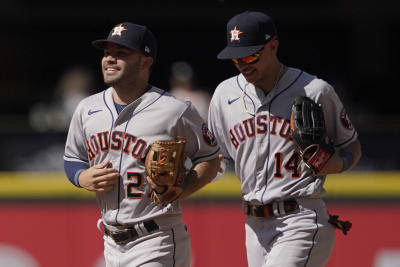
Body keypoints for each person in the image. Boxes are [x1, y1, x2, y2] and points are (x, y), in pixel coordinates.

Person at [208, 11, 362, 267]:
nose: (243, 64)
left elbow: (352, 146)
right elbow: (216, 158)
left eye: (249, 55)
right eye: (235, 59)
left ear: (273, 46)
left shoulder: (315, 90)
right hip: (253, 223)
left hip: (300, 217)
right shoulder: (224, 94)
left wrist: (337, 164)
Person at [63, 22, 221, 267]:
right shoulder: (86, 108)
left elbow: (210, 157)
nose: (110, 59)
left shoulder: (175, 110)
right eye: (107, 53)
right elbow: (73, 158)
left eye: (122, 53)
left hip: (157, 238)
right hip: (111, 242)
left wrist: (185, 187)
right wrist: (81, 177)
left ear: (146, 62)